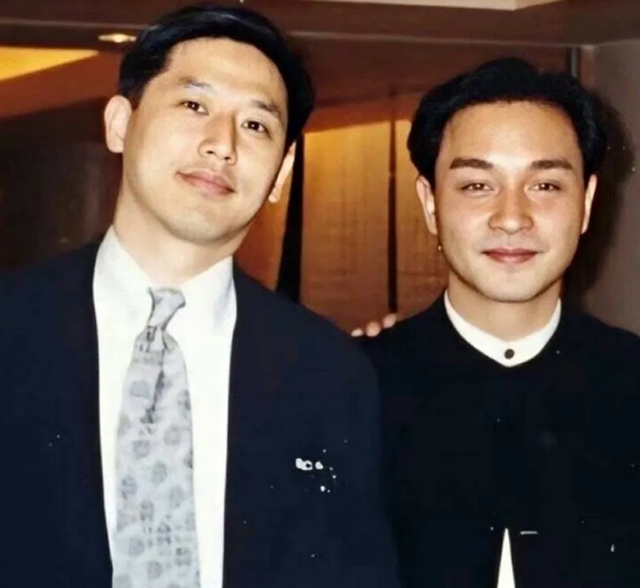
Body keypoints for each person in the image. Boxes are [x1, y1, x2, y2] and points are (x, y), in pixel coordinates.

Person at [0, 5, 398, 588]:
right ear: (120, 123)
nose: (222, 145)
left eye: (256, 125)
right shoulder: (12, 329)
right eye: (194, 106)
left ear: (282, 171)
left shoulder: (331, 375)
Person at [359, 58, 640, 588]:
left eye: (545, 186)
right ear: (430, 204)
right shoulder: (354, 388)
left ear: (586, 202)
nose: (512, 218)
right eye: (476, 186)